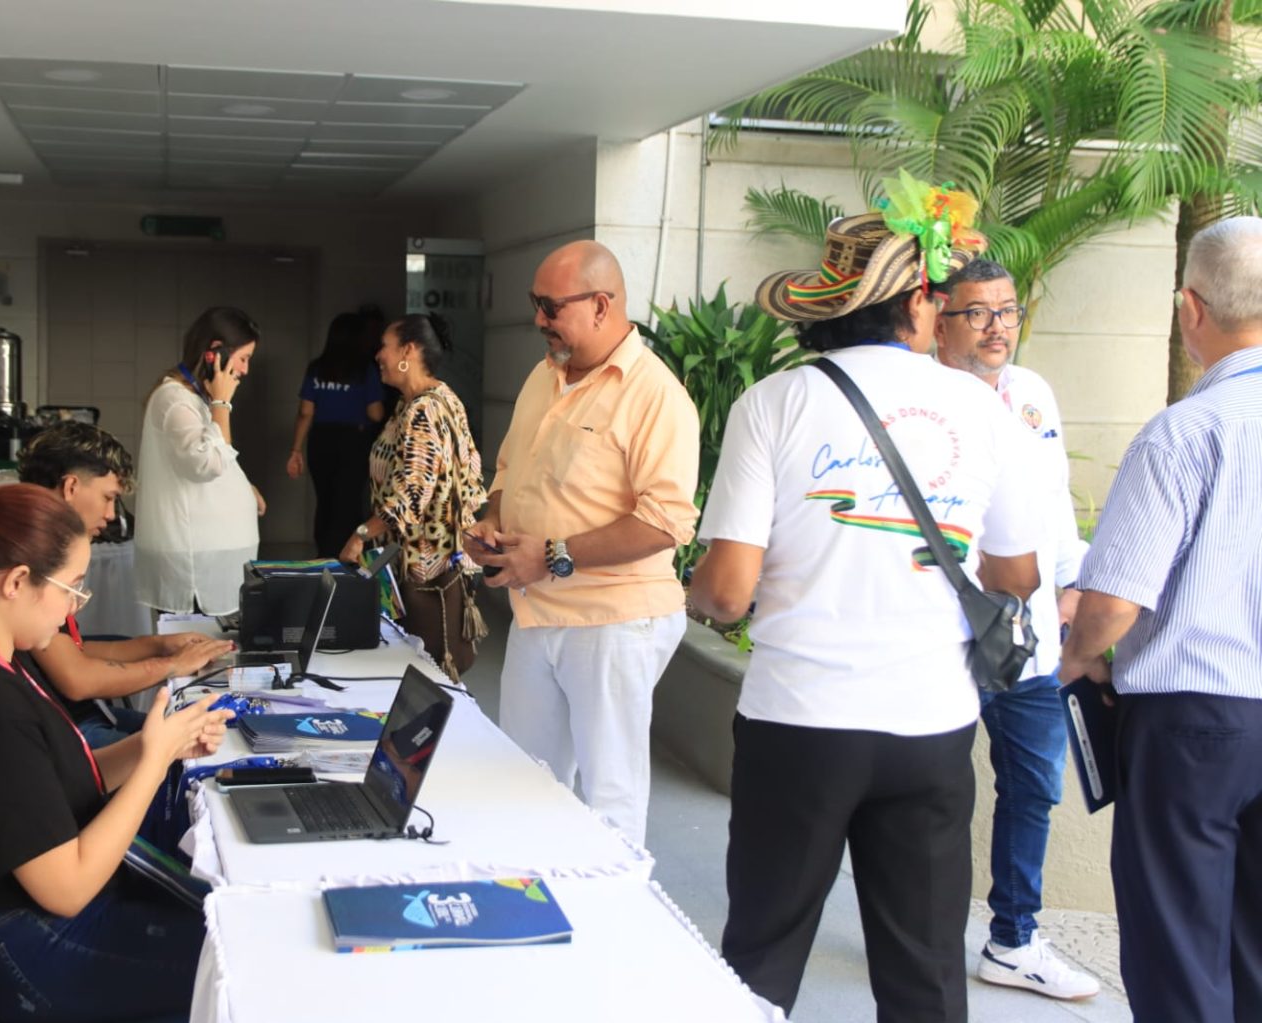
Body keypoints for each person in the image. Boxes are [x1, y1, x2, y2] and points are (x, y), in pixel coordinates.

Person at [689, 190, 1041, 1020]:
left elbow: (727, 590)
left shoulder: (772, 403)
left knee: (760, 957)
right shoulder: (985, 414)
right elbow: (1018, 576)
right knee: (924, 975)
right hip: (931, 724)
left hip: (799, 722)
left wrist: (702, 599)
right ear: (921, 300)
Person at [0, 475, 231, 1023]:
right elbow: (68, 889)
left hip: (54, 905)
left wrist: (161, 746)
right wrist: (152, 764)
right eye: (72, 589)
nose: (73, 609)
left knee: (231, 923)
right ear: (17, 582)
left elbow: (72, 776)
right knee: (239, 968)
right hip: (42, 943)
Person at [1060, 216, 1262, 1023]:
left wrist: (1080, 653)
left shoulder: (1186, 431)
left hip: (1193, 723)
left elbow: (1112, 602)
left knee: (1178, 950)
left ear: (1190, 309)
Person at [464, 240, 699, 846]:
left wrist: (549, 556)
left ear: (601, 305)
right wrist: (491, 523)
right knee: (523, 779)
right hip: (537, 612)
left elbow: (665, 522)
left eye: (549, 306)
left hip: (614, 622)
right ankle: (539, 911)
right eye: (534, 304)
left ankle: (615, 928)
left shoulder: (656, 396)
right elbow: (509, 473)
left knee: (609, 800)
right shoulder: (544, 377)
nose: (538, 319)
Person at [932, 259, 1100, 1001]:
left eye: (1007, 310)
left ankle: (1014, 939)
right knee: (934, 790)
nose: (997, 326)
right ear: (939, 318)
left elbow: (1054, 498)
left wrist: (1072, 586)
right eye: (978, 312)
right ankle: (925, 937)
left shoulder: (1031, 393)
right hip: (942, 630)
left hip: (1030, 631)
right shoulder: (922, 397)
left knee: (1034, 784)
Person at [16, 422, 233, 747]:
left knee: (204, 730)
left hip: (75, 714)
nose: (109, 514)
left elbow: (70, 651)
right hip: (58, 732)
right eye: (107, 498)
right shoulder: (29, 554)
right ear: (71, 487)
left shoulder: (40, 540)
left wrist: (161, 645)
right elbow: (76, 678)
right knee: (198, 747)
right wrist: (172, 665)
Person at [339, 313, 485, 679]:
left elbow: (411, 496)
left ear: (408, 350)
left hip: (425, 569)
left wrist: (360, 535)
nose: (378, 356)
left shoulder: (423, 410)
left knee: (423, 679)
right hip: (431, 560)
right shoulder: (436, 399)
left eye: (384, 348)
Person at [135, 306, 265, 615]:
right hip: (194, 570)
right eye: (244, 358)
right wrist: (222, 403)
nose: (246, 370)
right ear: (215, 353)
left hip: (209, 563)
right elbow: (206, 463)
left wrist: (244, 486)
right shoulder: (174, 399)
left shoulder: (194, 398)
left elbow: (215, 450)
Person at [286, 312, 386, 557]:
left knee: (325, 500)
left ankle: (324, 555)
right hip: (353, 441)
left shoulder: (317, 369)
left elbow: (305, 412)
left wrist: (295, 450)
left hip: (321, 440)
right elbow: (376, 413)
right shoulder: (366, 370)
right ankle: (346, 557)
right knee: (349, 501)